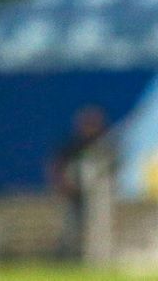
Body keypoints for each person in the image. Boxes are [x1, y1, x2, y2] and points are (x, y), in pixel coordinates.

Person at [49, 105, 108, 260]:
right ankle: (68, 256)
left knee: (96, 226)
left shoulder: (104, 144)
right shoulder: (73, 145)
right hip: (75, 194)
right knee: (72, 226)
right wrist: (63, 185)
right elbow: (56, 165)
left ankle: (94, 256)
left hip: (99, 195)